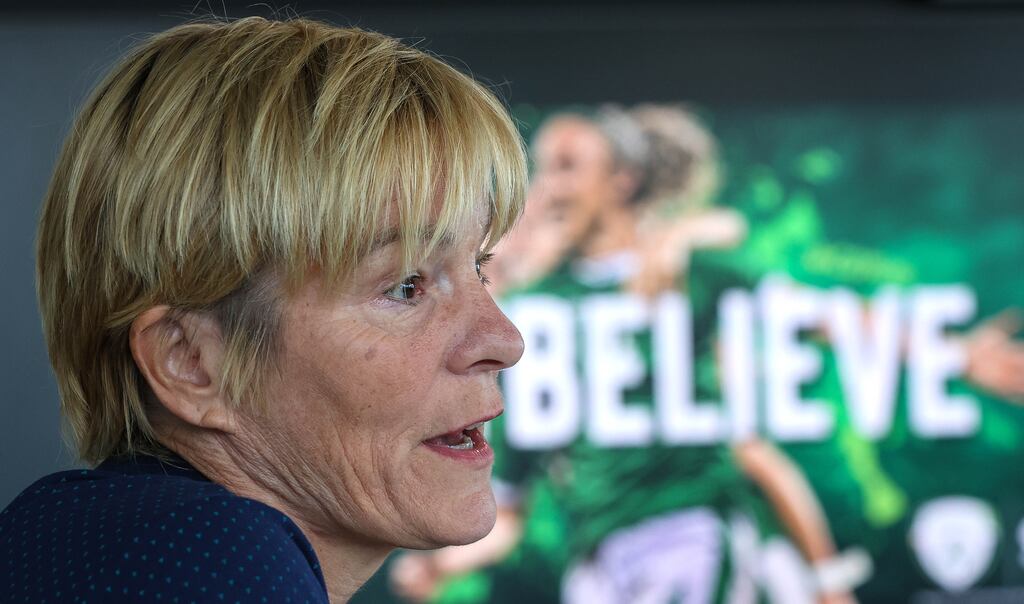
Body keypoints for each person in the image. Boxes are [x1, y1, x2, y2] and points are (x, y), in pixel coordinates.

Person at [0, 16, 528, 603]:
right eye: (406, 286)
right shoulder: (206, 556)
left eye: (480, 266)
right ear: (191, 362)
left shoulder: (80, 535)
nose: (503, 340)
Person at [392, 107, 866, 604]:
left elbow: (832, 322)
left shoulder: (689, 273)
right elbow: (511, 514)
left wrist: (941, 348)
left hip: (688, 533)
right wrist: (437, 563)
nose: (549, 186)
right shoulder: (532, 316)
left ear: (622, 179)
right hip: (596, 564)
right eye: (544, 168)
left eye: (569, 166)